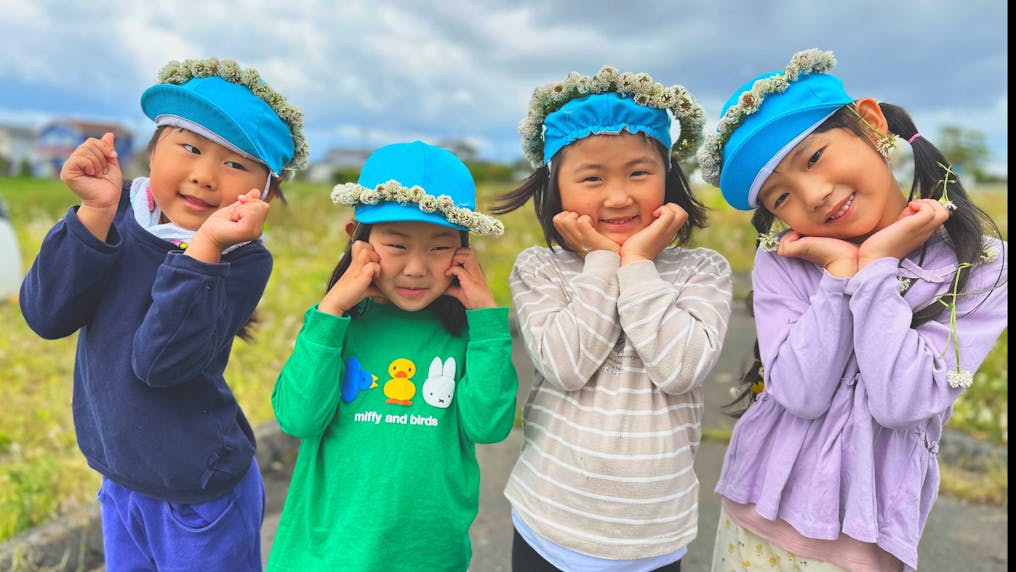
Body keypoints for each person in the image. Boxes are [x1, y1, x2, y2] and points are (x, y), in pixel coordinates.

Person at [696, 49, 1008, 571]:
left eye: (814, 158)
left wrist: (876, 267)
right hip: (754, 520)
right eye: (780, 198)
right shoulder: (786, 261)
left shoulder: (979, 263)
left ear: (870, 123)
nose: (813, 196)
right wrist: (840, 275)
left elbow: (902, 401)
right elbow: (799, 392)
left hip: (863, 544)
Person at [19, 57, 308, 571]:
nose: (204, 176)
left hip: (200, 495)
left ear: (264, 191)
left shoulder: (240, 259)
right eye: (191, 148)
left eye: (236, 164)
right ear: (154, 150)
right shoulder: (120, 215)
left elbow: (159, 361)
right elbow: (46, 315)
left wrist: (206, 247)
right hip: (121, 478)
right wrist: (94, 214)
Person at [494, 67, 734, 571]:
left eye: (639, 173)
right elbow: (566, 365)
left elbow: (681, 369)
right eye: (592, 178)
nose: (619, 196)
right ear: (555, 188)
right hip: (549, 524)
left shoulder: (702, 271)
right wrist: (603, 262)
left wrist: (640, 263)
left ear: (668, 178)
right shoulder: (541, 270)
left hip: (652, 538)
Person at [267, 140, 518, 571]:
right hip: (325, 555)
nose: (416, 268)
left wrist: (487, 322)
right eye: (397, 246)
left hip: (426, 556)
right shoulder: (336, 326)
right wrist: (330, 312)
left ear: (463, 249)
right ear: (357, 240)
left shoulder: (466, 334)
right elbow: (298, 418)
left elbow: (490, 426)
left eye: (439, 247)